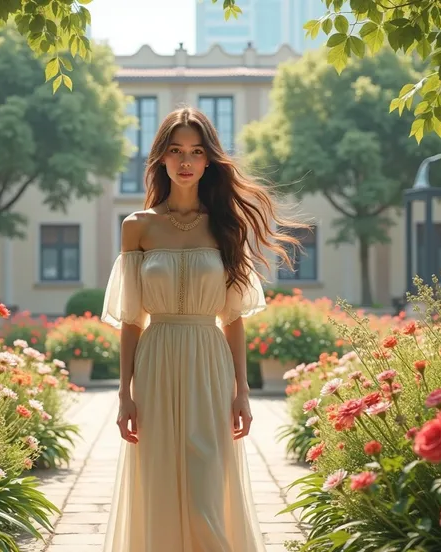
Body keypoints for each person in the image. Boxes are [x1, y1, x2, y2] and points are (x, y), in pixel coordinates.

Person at [100, 107, 303, 552]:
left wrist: (242, 391)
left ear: (209, 159)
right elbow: (132, 319)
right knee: (156, 478)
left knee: (207, 484)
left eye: (195, 151)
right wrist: (124, 393)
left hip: (209, 362)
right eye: (175, 151)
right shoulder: (137, 226)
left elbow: (233, 318)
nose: (186, 161)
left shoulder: (226, 226)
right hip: (155, 362)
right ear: (161, 159)